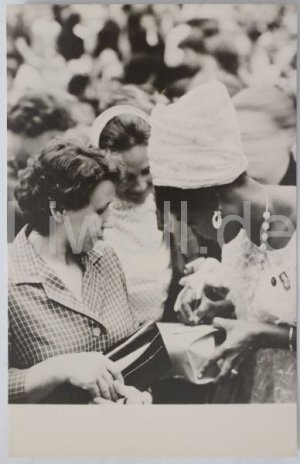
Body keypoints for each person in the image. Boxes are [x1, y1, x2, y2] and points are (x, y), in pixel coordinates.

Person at [148, 79, 296, 403]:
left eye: (187, 219)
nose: (192, 232)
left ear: (213, 201)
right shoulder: (237, 238)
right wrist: (226, 306)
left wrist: (260, 335)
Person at [8, 137, 151, 405]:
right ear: (58, 209)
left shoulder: (105, 256)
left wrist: (139, 395)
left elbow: (130, 352)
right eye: (99, 210)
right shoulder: (10, 277)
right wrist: (59, 370)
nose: (109, 221)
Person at [90, 105, 171, 325]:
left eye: (146, 171)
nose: (139, 186)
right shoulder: (92, 220)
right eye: (127, 177)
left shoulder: (172, 211)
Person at [233, 83, 296, 186]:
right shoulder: (230, 191)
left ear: (290, 135)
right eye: (239, 139)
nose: (246, 149)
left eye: (257, 138)